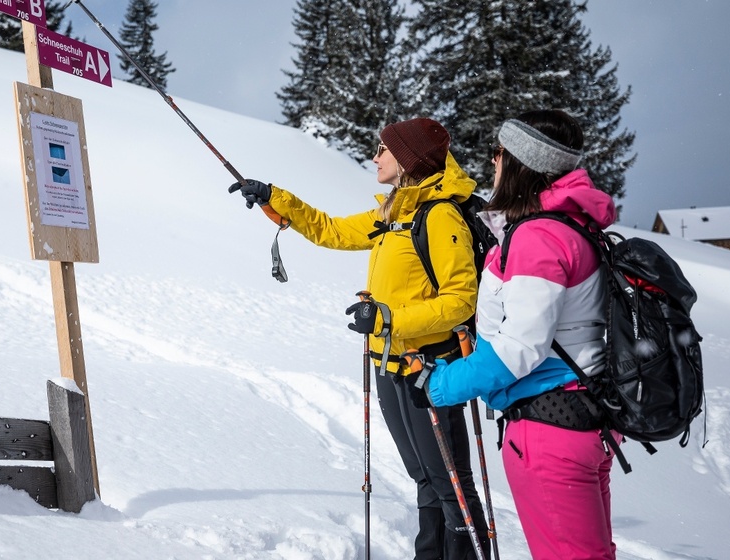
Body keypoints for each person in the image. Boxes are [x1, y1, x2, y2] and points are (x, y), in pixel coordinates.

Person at [231, 118, 490, 559]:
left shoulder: (440, 215)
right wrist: (274, 198)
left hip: (432, 369)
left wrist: (387, 320)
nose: (375, 158)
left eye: (383, 150)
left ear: (407, 159)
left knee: (451, 484)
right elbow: (330, 229)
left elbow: (461, 301)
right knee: (424, 477)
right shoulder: (394, 213)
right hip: (389, 365)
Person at [414, 109, 620, 559]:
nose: (493, 163)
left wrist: (441, 384)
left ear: (521, 163)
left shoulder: (540, 238)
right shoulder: (574, 226)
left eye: (499, 153)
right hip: (582, 416)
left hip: (549, 427)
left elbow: (522, 347)